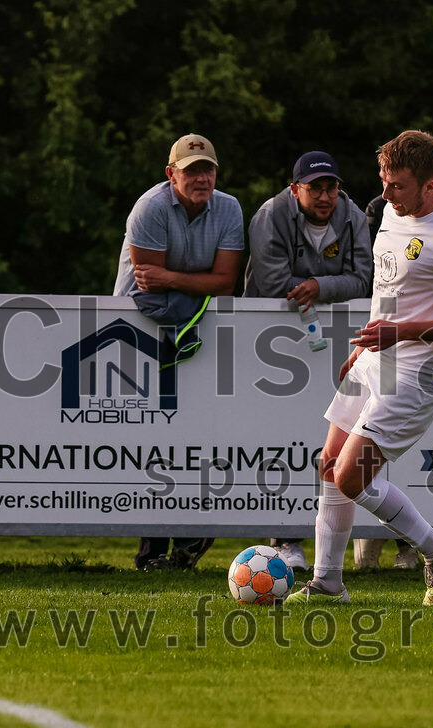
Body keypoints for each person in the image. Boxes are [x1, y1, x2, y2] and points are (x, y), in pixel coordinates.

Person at [285, 130, 433, 606]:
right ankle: (328, 583)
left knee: (351, 477)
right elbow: (389, 287)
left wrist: (399, 333)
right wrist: (368, 346)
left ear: (432, 184)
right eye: (383, 180)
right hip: (378, 356)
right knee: (328, 465)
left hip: (418, 373)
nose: (386, 193)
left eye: (397, 184)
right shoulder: (392, 213)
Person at [112, 132, 244, 571]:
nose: (201, 178)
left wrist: (171, 278)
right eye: (191, 171)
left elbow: (224, 283)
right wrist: (190, 284)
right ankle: (156, 550)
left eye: (208, 169)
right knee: (153, 439)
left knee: (196, 433)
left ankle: (186, 536)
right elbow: (146, 288)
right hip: (139, 332)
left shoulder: (229, 207)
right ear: (171, 174)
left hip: (197, 332)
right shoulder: (149, 207)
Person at [244, 150, 373, 571]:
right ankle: (285, 540)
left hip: (339, 345)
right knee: (280, 437)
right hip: (271, 343)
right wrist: (328, 285)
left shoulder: (353, 216)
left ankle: (329, 546)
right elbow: (272, 282)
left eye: (331, 187)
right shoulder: (270, 215)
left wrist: (319, 285)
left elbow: (364, 279)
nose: (324, 196)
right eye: (314, 188)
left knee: (330, 443)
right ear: (294, 188)